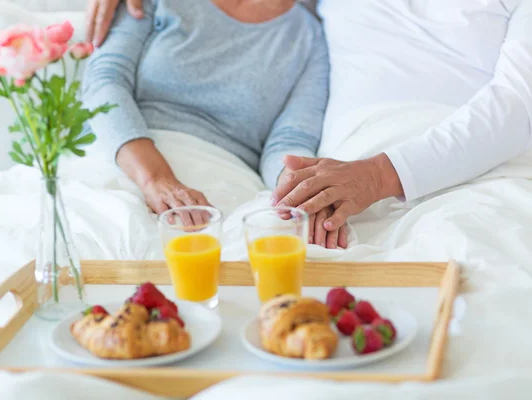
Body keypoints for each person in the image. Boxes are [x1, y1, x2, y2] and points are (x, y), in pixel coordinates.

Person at [88, 0, 532, 247]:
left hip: (473, 167)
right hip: (341, 177)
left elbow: (519, 104)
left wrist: (375, 176)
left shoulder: (304, 34)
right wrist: (305, 191)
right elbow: (104, 78)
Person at [82, 0, 345, 248]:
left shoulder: (309, 38)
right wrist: (155, 178)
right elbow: (103, 82)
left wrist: (302, 188)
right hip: (119, 152)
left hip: (220, 177)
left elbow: (290, 139)